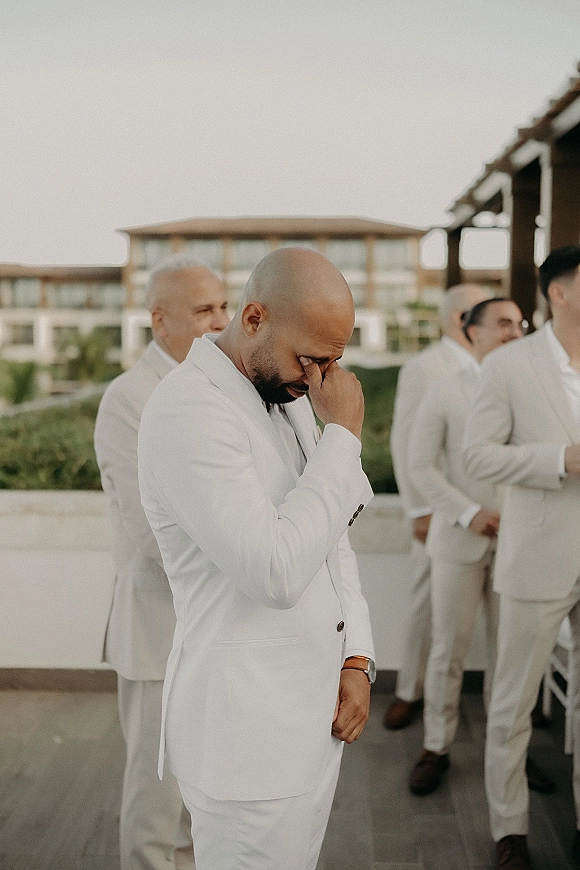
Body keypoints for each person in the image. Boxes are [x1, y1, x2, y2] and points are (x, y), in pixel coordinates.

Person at [137, 247, 375, 870]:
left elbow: (332, 538)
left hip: (312, 719)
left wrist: (356, 655)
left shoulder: (290, 389)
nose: (323, 376)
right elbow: (274, 571)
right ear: (253, 318)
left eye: (335, 359)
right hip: (248, 739)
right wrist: (343, 440)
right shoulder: (186, 411)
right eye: (311, 357)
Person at [94, 254, 229, 870]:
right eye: (205, 310)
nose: (221, 322)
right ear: (158, 320)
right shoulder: (129, 400)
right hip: (158, 635)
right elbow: (153, 537)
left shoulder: (220, 392)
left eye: (224, 307)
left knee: (206, 808)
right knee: (156, 809)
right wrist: (256, 551)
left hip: (218, 636)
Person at [462, 245, 580, 870]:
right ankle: (509, 828)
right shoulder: (509, 366)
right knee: (512, 703)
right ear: (558, 291)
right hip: (539, 555)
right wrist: (557, 459)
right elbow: (476, 457)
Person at [406, 298, 524, 795]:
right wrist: (468, 513)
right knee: (447, 652)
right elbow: (420, 466)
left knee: (510, 656)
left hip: (521, 544)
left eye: (520, 324)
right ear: (470, 330)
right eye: (502, 323)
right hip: (458, 541)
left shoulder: (533, 389)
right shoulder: (445, 389)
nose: (514, 332)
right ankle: (437, 745)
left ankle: (510, 759)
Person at [384, 283, 491, 729]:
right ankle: (409, 691)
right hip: (439, 512)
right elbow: (404, 440)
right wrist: (419, 510)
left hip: (488, 514)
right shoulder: (425, 368)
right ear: (459, 319)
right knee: (423, 606)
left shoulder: (495, 368)